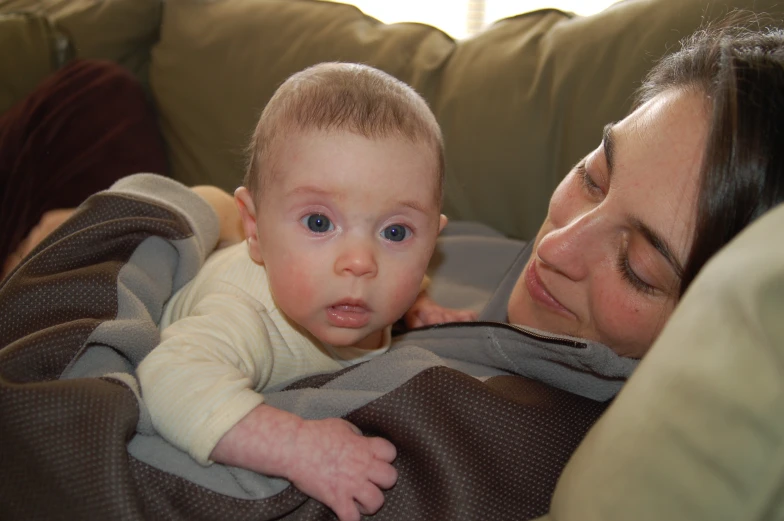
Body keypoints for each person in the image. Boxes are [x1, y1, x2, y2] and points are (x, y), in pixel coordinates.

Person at [3, 18, 784, 521]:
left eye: (640, 267)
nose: (557, 246)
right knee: (90, 96)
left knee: (80, 108)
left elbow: (40, 441)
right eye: (595, 174)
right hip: (188, 256)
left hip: (105, 309)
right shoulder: (506, 281)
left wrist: (165, 215)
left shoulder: (485, 436)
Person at [135, 62, 481, 521]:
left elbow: (412, 280)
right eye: (319, 223)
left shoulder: (368, 284)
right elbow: (168, 379)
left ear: (431, 242)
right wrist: (299, 447)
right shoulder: (244, 314)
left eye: (396, 233)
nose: (361, 262)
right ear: (254, 228)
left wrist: (420, 306)